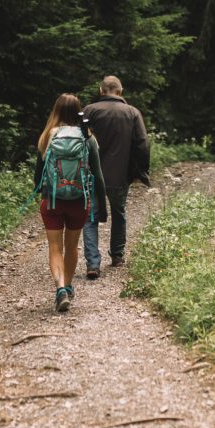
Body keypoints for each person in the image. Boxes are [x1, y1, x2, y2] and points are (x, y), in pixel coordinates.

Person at [33, 94, 106, 312]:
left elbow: (38, 177)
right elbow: (98, 176)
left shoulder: (47, 136)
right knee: (72, 246)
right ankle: (67, 285)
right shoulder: (87, 137)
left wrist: (43, 191)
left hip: (53, 200)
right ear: (78, 112)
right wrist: (101, 205)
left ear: (56, 111)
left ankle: (60, 289)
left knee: (55, 247)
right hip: (79, 200)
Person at [81, 75, 149, 278]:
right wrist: (141, 172)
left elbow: (79, 140)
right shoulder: (132, 112)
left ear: (102, 91)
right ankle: (117, 255)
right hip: (120, 175)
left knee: (90, 217)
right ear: (120, 92)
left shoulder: (88, 111)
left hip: (91, 175)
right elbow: (143, 144)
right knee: (119, 214)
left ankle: (93, 264)